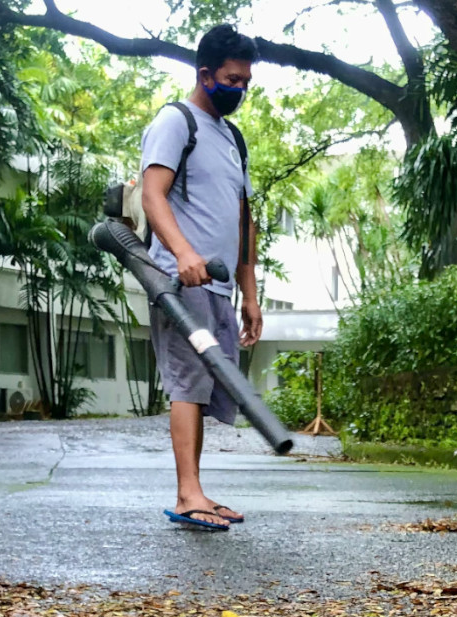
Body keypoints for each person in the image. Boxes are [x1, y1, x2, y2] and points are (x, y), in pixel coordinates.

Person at [140, 25, 263, 530]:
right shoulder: (176, 121)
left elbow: (243, 219)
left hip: (218, 286)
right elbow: (153, 193)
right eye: (232, 79)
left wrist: (249, 292)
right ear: (205, 74)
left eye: (246, 82)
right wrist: (184, 252)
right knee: (187, 384)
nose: (239, 90)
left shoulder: (232, 137)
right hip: (178, 282)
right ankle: (187, 494)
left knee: (210, 388)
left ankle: (199, 490)